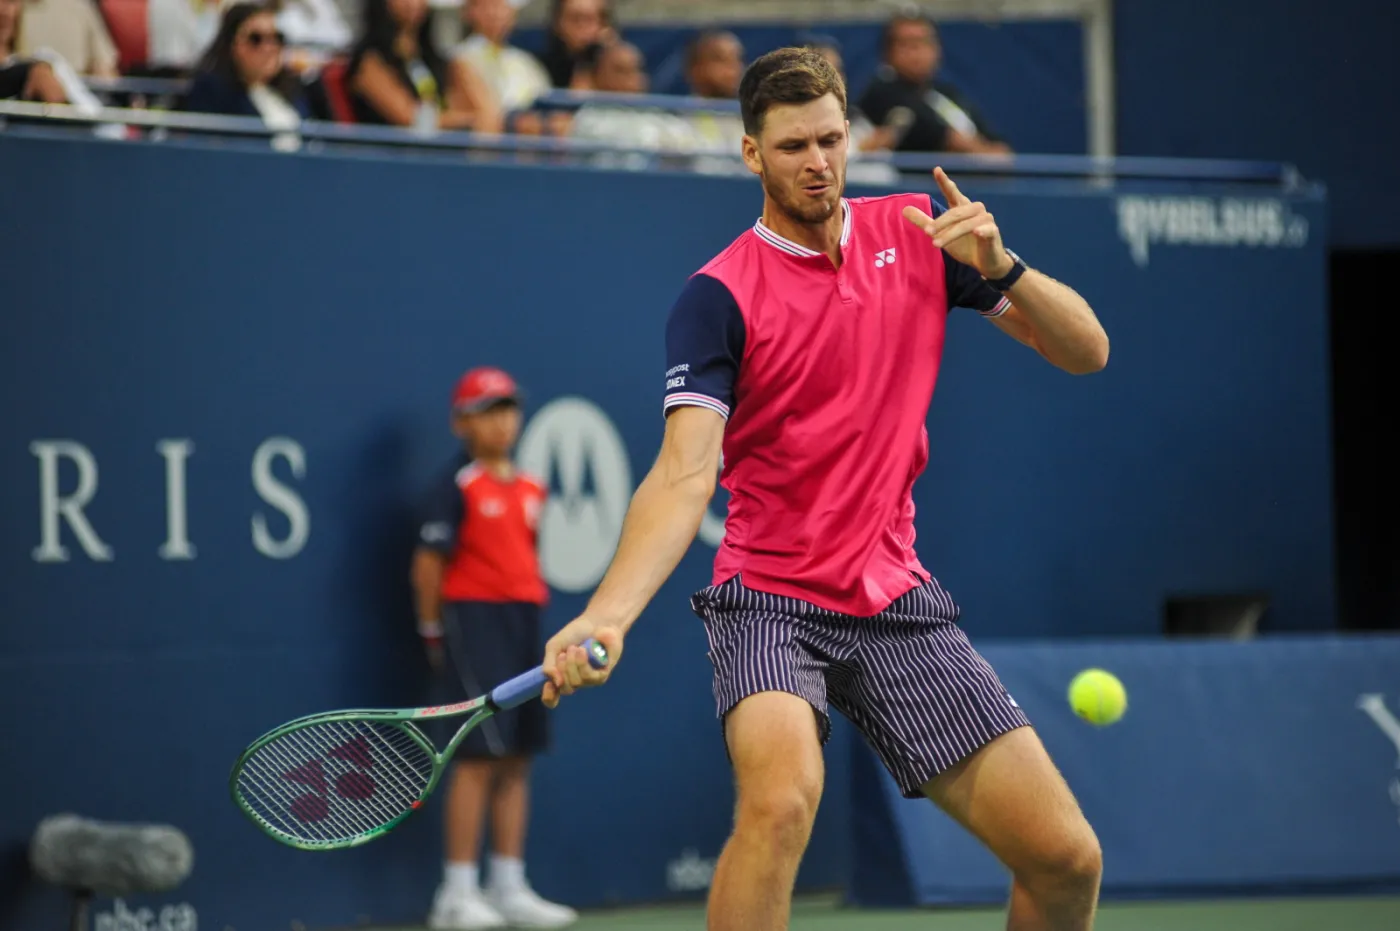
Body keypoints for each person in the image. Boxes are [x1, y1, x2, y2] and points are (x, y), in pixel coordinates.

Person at [540, 46, 1109, 931]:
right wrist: (607, 613)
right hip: (769, 599)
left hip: (895, 598)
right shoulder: (717, 295)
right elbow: (686, 469)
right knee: (781, 802)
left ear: (852, 136)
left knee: (1067, 859)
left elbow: (1086, 351)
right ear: (751, 155)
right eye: (794, 145)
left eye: (831, 139)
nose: (817, 161)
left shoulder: (924, 232)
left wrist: (1004, 265)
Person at [413, 367, 577, 930]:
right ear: (462, 422)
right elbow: (427, 565)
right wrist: (433, 633)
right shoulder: (452, 487)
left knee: (517, 757)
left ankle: (507, 885)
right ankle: (455, 895)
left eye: (508, 409)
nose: (502, 421)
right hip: (472, 626)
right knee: (478, 760)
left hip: (524, 625)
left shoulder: (532, 486)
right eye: (487, 411)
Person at [859, 12, 1011, 156]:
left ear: (937, 49)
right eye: (905, 44)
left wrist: (989, 154)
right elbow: (940, 136)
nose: (915, 52)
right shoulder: (881, 92)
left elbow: (999, 146)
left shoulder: (946, 93)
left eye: (923, 42)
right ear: (888, 53)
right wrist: (982, 155)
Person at [346, 0, 501, 132]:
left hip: (441, 149)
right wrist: (470, 121)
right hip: (391, 155)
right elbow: (408, 118)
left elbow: (479, 110)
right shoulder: (369, 61)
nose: (413, 3)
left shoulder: (433, 58)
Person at [183, 2, 312, 139]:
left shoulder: (293, 87)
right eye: (256, 39)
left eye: (277, 38)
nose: (269, 48)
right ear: (232, 44)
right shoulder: (211, 90)